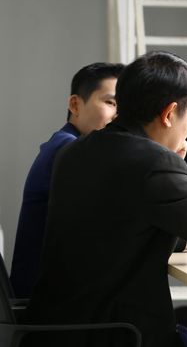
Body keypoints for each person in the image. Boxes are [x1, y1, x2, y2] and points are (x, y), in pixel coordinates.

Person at [22, 51, 187, 347]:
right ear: (170, 113)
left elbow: (111, 227)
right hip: (114, 335)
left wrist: (185, 238)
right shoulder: (150, 163)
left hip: (56, 330)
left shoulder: (75, 151)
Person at [10, 62, 124, 298]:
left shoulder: (65, 144)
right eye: (111, 103)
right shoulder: (70, 150)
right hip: (50, 313)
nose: (118, 116)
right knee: (174, 333)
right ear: (75, 104)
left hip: (51, 304)